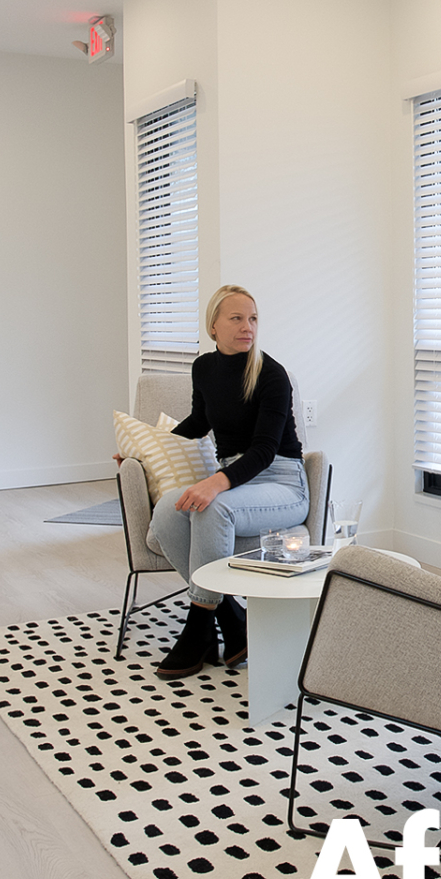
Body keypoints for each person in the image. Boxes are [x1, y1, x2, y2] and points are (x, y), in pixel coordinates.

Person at [147, 284, 309, 679]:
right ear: (213, 326)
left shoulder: (271, 375)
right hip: (237, 481)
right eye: (236, 318)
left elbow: (265, 450)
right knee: (169, 509)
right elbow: (198, 424)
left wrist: (217, 483)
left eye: (252, 318)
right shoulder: (204, 368)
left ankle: (198, 627)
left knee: (211, 506)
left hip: (281, 482)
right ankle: (231, 618)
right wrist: (146, 448)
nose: (247, 327)